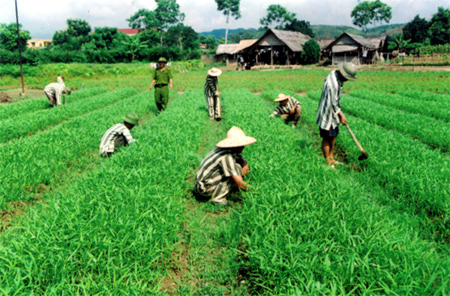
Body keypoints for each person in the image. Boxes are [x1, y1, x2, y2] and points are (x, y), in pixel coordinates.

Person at [194, 126, 257, 205]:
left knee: (236, 167)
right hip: (203, 188)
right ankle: (218, 199)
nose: (243, 147)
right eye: (241, 145)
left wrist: (245, 164)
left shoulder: (227, 150)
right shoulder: (226, 156)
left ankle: (224, 191)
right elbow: (240, 183)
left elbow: (240, 158)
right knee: (234, 170)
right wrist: (255, 190)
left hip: (199, 184)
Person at [316, 62, 357, 167]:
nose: (347, 80)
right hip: (327, 114)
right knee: (327, 138)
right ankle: (327, 161)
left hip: (333, 113)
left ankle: (331, 157)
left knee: (333, 136)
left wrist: (339, 114)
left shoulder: (335, 73)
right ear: (343, 75)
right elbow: (333, 104)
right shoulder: (332, 84)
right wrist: (341, 116)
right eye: (347, 78)